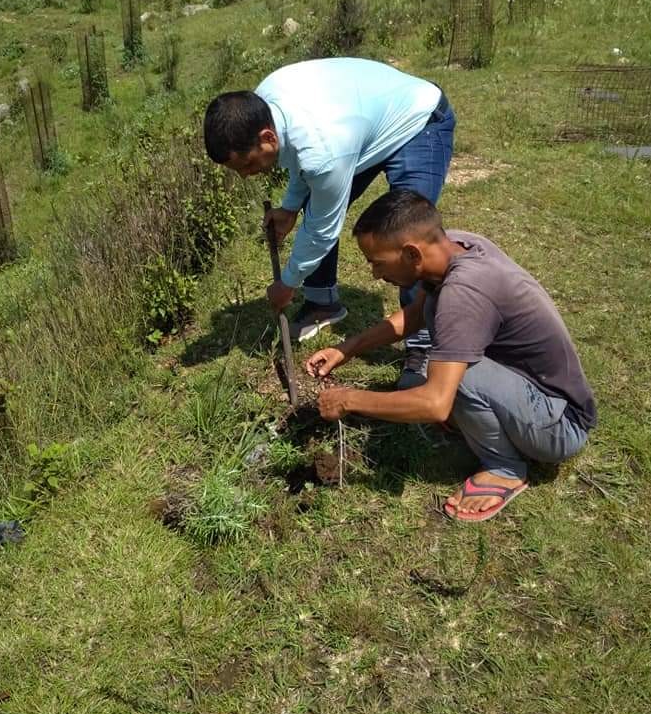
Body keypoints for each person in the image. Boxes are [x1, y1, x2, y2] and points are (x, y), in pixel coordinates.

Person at [306, 190, 597, 522]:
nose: (374, 274)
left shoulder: (464, 292)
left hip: (559, 425)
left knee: (450, 380)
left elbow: (434, 404)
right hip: (533, 393)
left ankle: (505, 468)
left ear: (412, 253)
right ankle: (486, 419)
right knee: (429, 374)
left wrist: (348, 400)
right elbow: (416, 316)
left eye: (377, 263)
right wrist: (347, 349)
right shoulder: (454, 246)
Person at [203, 57, 456, 388]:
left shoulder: (323, 149)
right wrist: (291, 207)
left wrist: (288, 283)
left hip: (418, 120)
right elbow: (298, 157)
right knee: (315, 202)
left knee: (407, 238)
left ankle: (421, 346)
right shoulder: (265, 105)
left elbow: (323, 226)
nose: (247, 175)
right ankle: (323, 304)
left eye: (247, 165)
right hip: (357, 128)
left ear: (267, 137)